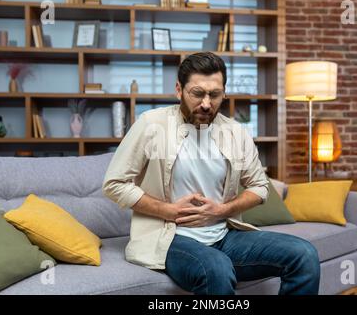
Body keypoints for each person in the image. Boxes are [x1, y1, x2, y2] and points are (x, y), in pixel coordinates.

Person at [102, 51, 320, 295]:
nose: (206, 103)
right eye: (197, 93)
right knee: (217, 268)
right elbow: (114, 183)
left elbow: (259, 187)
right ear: (179, 90)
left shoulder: (235, 132)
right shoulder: (152, 124)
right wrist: (169, 211)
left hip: (224, 235)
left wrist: (222, 210)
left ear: (224, 93)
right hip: (171, 238)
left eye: (214, 95)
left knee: (304, 254)